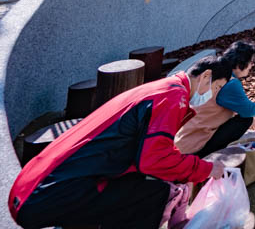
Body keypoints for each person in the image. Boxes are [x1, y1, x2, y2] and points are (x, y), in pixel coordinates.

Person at [9, 57, 232, 229]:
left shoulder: (163, 88)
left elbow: (150, 152)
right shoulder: (173, 97)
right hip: (44, 195)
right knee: (155, 194)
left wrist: (185, 169)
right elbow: (155, 159)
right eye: (218, 87)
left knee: (143, 188)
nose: (214, 96)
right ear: (206, 76)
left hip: (36, 187)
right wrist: (207, 169)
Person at [175, 40, 255, 156]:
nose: (252, 65)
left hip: (183, 141)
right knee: (245, 120)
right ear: (240, 63)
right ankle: (210, 154)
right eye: (251, 62)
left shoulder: (213, 74)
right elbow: (248, 109)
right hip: (196, 148)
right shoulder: (230, 83)